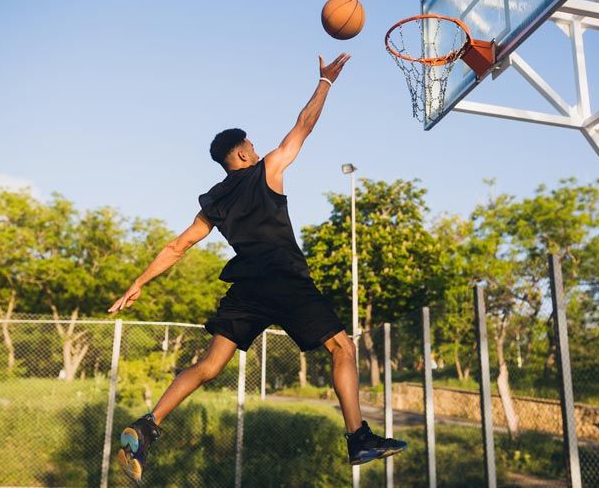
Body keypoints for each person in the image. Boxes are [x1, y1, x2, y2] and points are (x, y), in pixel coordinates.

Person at [108, 53, 406, 483]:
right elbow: (304, 125)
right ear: (245, 150)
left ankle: (150, 424)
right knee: (343, 348)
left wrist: (137, 282)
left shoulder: (215, 200)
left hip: (246, 289)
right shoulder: (268, 168)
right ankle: (358, 438)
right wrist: (326, 82)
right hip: (285, 280)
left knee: (209, 367)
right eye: (251, 143)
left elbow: (178, 247)